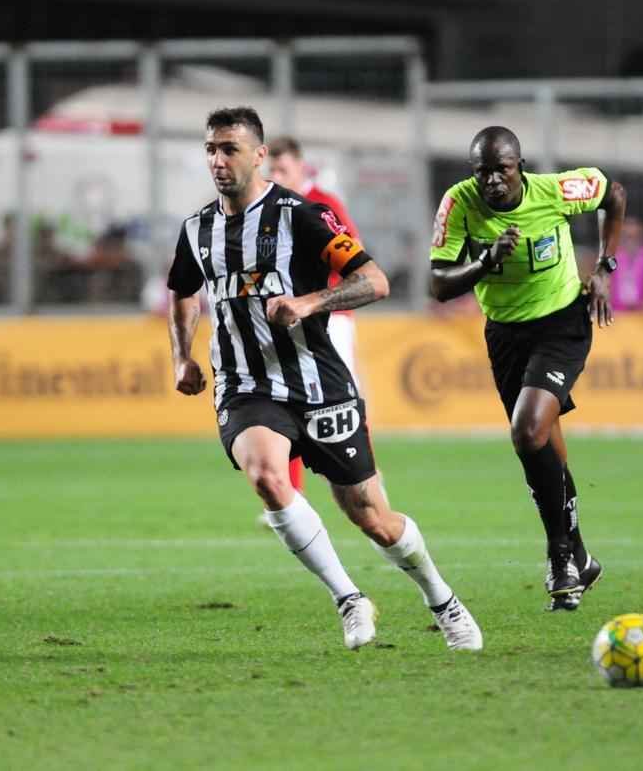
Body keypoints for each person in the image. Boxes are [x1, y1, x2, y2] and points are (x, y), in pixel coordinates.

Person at [168, 106, 481, 651]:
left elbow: (374, 281)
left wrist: (311, 301)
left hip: (319, 383)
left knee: (372, 517)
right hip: (245, 385)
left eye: (229, 149)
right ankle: (349, 598)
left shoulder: (303, 216)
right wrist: (183, 356)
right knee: (267, 477)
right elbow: (182, 290)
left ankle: (442, 599)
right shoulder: (197, 229)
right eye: (211, 150)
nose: (218, 161)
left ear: (260, 155)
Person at [429, 126, 626, 611]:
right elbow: (439, 284)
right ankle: (581, 556)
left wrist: (604, 268)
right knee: (541, 442)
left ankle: (559, 556)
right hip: (505, 333)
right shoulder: (459, 204)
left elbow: (614, 194)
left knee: (526, 431)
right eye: (483, 172)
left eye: (502, 169)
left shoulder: (555, 191)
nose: (493, 181)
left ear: (519, 166)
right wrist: (484, 263)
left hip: (562, 322)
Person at [267, 137, 361, 494]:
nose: (276, 175)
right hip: (291, 318)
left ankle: (362, 476)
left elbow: (355, 260)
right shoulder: (271, 206)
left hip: (330, 315)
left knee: (343, 397)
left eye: (282, 169)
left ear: (301, 167)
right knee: (286, 398)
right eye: (272, 170)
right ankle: (291, 492)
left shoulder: (324, 204)